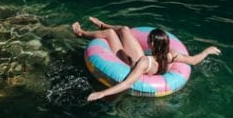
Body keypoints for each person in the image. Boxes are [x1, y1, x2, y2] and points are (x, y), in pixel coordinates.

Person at [72, 16, 221, 102]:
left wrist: (102, 93)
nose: (147, 40)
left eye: (149, 39)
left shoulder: (145, 62)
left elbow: (128, 83)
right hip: (145, 62)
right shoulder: (172, 55)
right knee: (124, 29)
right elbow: (194, 60)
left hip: (129, 63)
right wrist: (206, 51)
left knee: (111, 33)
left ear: (151, 44)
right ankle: (102, 24)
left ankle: (81, 33)